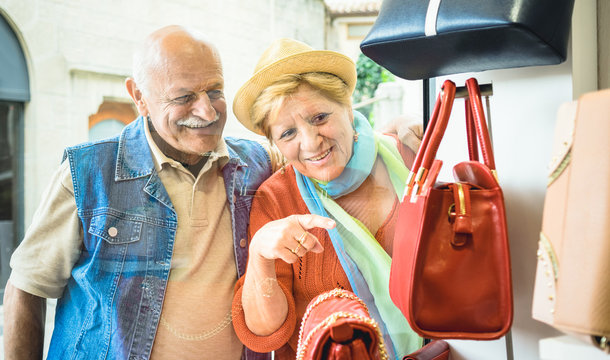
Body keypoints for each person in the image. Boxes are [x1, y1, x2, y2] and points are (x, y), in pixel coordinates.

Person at [3, 25, 282, 360]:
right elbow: (28, 287)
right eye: (184, 97)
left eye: (214, 91)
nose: (207, 112)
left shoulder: (259, 164)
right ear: (139, 97)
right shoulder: (87, 172)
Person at [230, 38, 422, 360]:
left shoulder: (407, 152)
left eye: (319, 117)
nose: (310, 142)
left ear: (347, 107)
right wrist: (261, 256)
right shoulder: (276, 199)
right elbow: (265, 332)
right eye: (288, 133)